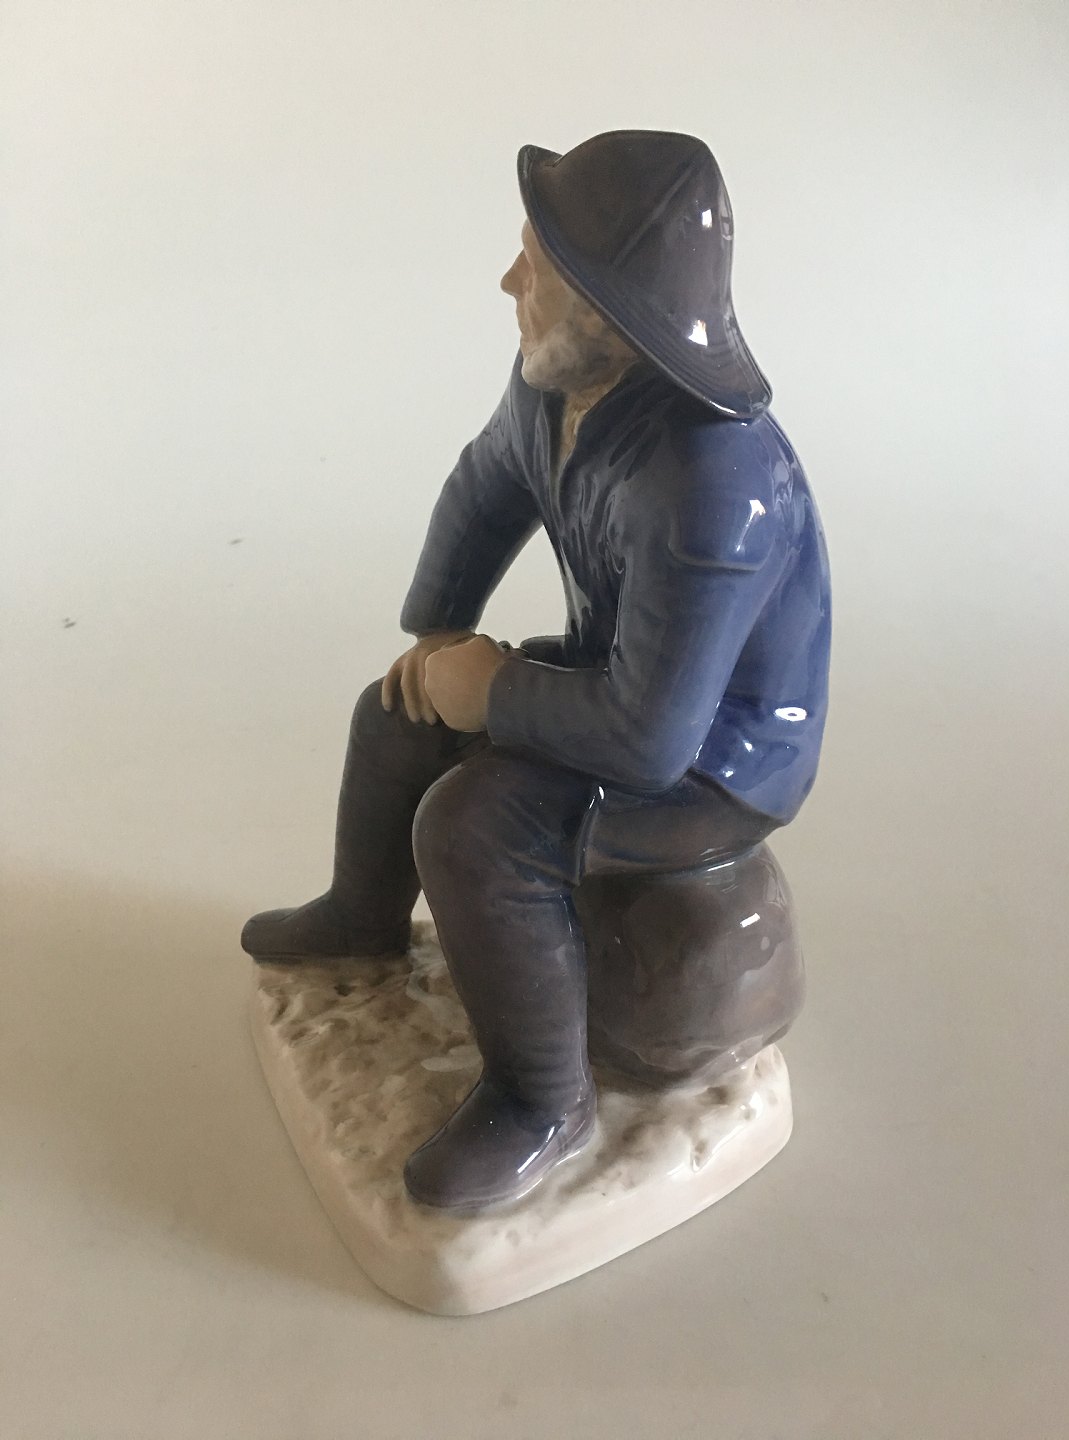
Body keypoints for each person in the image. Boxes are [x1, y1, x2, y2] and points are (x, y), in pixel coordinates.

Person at [242, 130, 831, 1213]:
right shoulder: (558, 388)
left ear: (611, 308)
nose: (508, 282)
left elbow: (650, 743)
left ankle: (543, 1105)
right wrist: (439, 635)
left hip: (715, 761)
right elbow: (484, 487)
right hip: (627, 684)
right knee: (397, 714)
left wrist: (494, 691)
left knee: (477, 826)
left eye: (538, 268)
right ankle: (362, 918)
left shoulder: (713, 486)